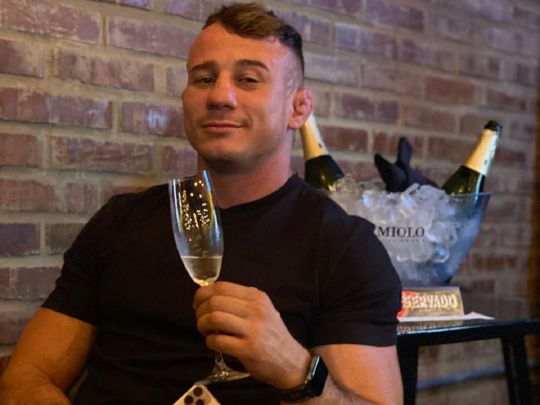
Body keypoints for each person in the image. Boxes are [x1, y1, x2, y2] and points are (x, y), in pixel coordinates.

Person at [0, 3, 403, 404]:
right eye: (204, 78)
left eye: (248, 79)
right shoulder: (121, 221)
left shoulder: (344, 247)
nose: (219, 96)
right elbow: (26, 377)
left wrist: (294, 369)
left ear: (297, 109)